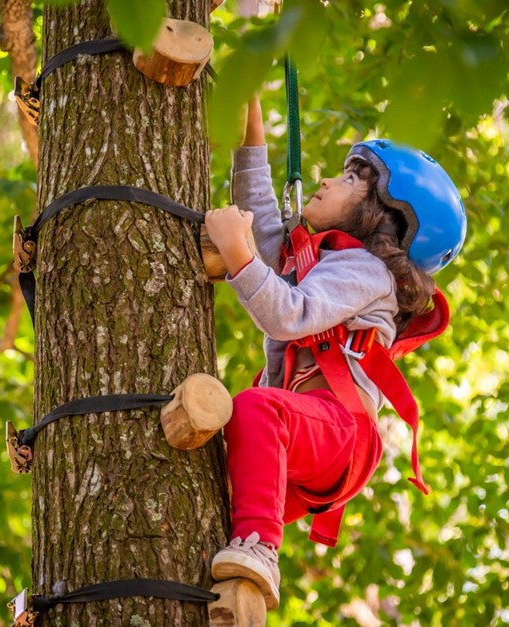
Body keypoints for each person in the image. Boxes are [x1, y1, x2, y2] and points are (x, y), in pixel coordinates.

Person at [203, 97, 467, 610]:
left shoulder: (367, 270)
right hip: (305, 440)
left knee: (255, 407)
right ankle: (232, 581)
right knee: (214, 465)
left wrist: (236, 256)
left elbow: (288, 313)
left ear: (380, 217)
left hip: (339, 435)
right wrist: (249, 131)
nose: (324, 180)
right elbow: (262, 226)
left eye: (348, 180)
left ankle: (260, 551)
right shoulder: (320, 258)